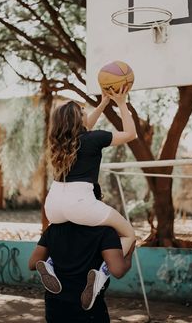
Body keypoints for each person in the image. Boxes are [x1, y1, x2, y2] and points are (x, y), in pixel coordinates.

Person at [37, 86, 137, 310]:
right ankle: (101, 274)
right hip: (80, 202)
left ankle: (50, 264)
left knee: (61, 233)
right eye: (83, 110)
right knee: (129, 232)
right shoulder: (94, 139)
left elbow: (85, 127)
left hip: (54, 204)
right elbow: (131, 134)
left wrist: (103, 103)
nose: (86, 112)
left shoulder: (58, 142)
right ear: (79, 119)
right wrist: (121, 102)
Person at [29, 192, 136, 322]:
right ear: (97, 201)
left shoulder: (54, 229)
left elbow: (33, 263)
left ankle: (49, 265)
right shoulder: (105, 231)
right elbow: (117, 270)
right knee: (105, 268)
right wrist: (129, 257)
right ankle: (99, 276)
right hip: (88, 309)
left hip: (55, 305)